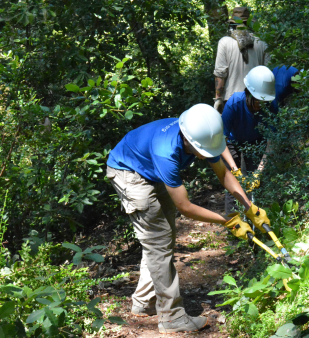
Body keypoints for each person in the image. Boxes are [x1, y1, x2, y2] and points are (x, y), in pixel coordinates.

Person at [105, 104, 271, 333]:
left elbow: (224, 173)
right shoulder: (167, 153)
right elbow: (185, 207)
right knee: (158, 241)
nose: (210, 155)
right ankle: (171, 317)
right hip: (129, 173)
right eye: (206, 151)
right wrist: (227, 221)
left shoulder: (200, 132)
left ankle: (144, 302)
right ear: (190, 143)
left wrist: (249, 207)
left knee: (163, 239)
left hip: (148, 169)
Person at [220, 66, 276, 214]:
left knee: (256, 183)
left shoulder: (271, 106)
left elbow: (272, 141)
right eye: (257, 101)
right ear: (248, 94)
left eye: (263, 102)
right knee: (232, 180)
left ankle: (257, 218)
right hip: (232, 142)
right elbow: (221, 140)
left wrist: (259, 171)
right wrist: (235, 170)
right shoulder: (233, 104)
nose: (260, 105)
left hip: (257, 142)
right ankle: (233, 222)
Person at [213, 7, 270, 113]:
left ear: (232, 23)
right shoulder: (262, 44)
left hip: (231, 99)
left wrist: (218, 99)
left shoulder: (224, 42)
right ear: (249, 23)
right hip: (255, 100)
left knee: (231, 129)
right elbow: (267, 75)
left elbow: (220, 74)